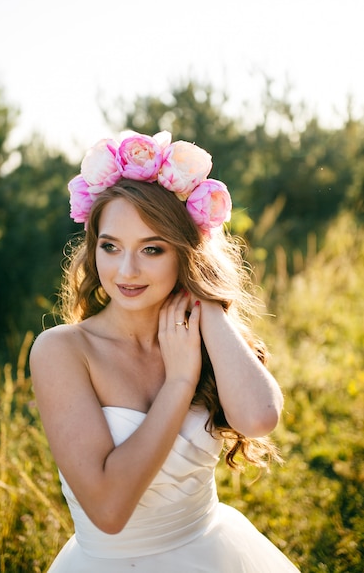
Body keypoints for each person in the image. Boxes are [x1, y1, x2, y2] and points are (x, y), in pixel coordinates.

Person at [30, 131, 299, 572]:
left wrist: (207, 303)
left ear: (185, 254)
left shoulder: (198, 331)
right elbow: (109, 511)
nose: (126, 270)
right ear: (93, 247)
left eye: (152, 249)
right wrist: (179, 383)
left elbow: (259, 418)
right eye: (110, 246)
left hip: (213, 550)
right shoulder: (62, 350)